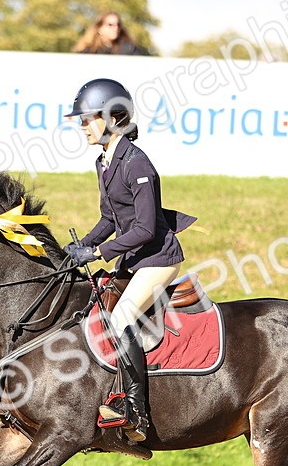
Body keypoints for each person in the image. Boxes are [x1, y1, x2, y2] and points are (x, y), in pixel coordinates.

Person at [62, 78, 196, 442]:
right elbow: (110, 218)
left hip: (157, 258)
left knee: (121, 318)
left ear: (112, 117)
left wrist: (100, 252)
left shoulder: (138, 165)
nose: (82, 126)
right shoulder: (105, 161)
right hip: (134, 259)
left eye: (88, 119)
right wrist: (80, 247)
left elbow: (146, 228)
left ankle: (135, 411)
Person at [72, 12, 148, 56]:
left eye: (118, 24)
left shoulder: (130, 49)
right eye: (110, 25)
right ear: (99, 28)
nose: (116, 28)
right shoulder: (88, 51)